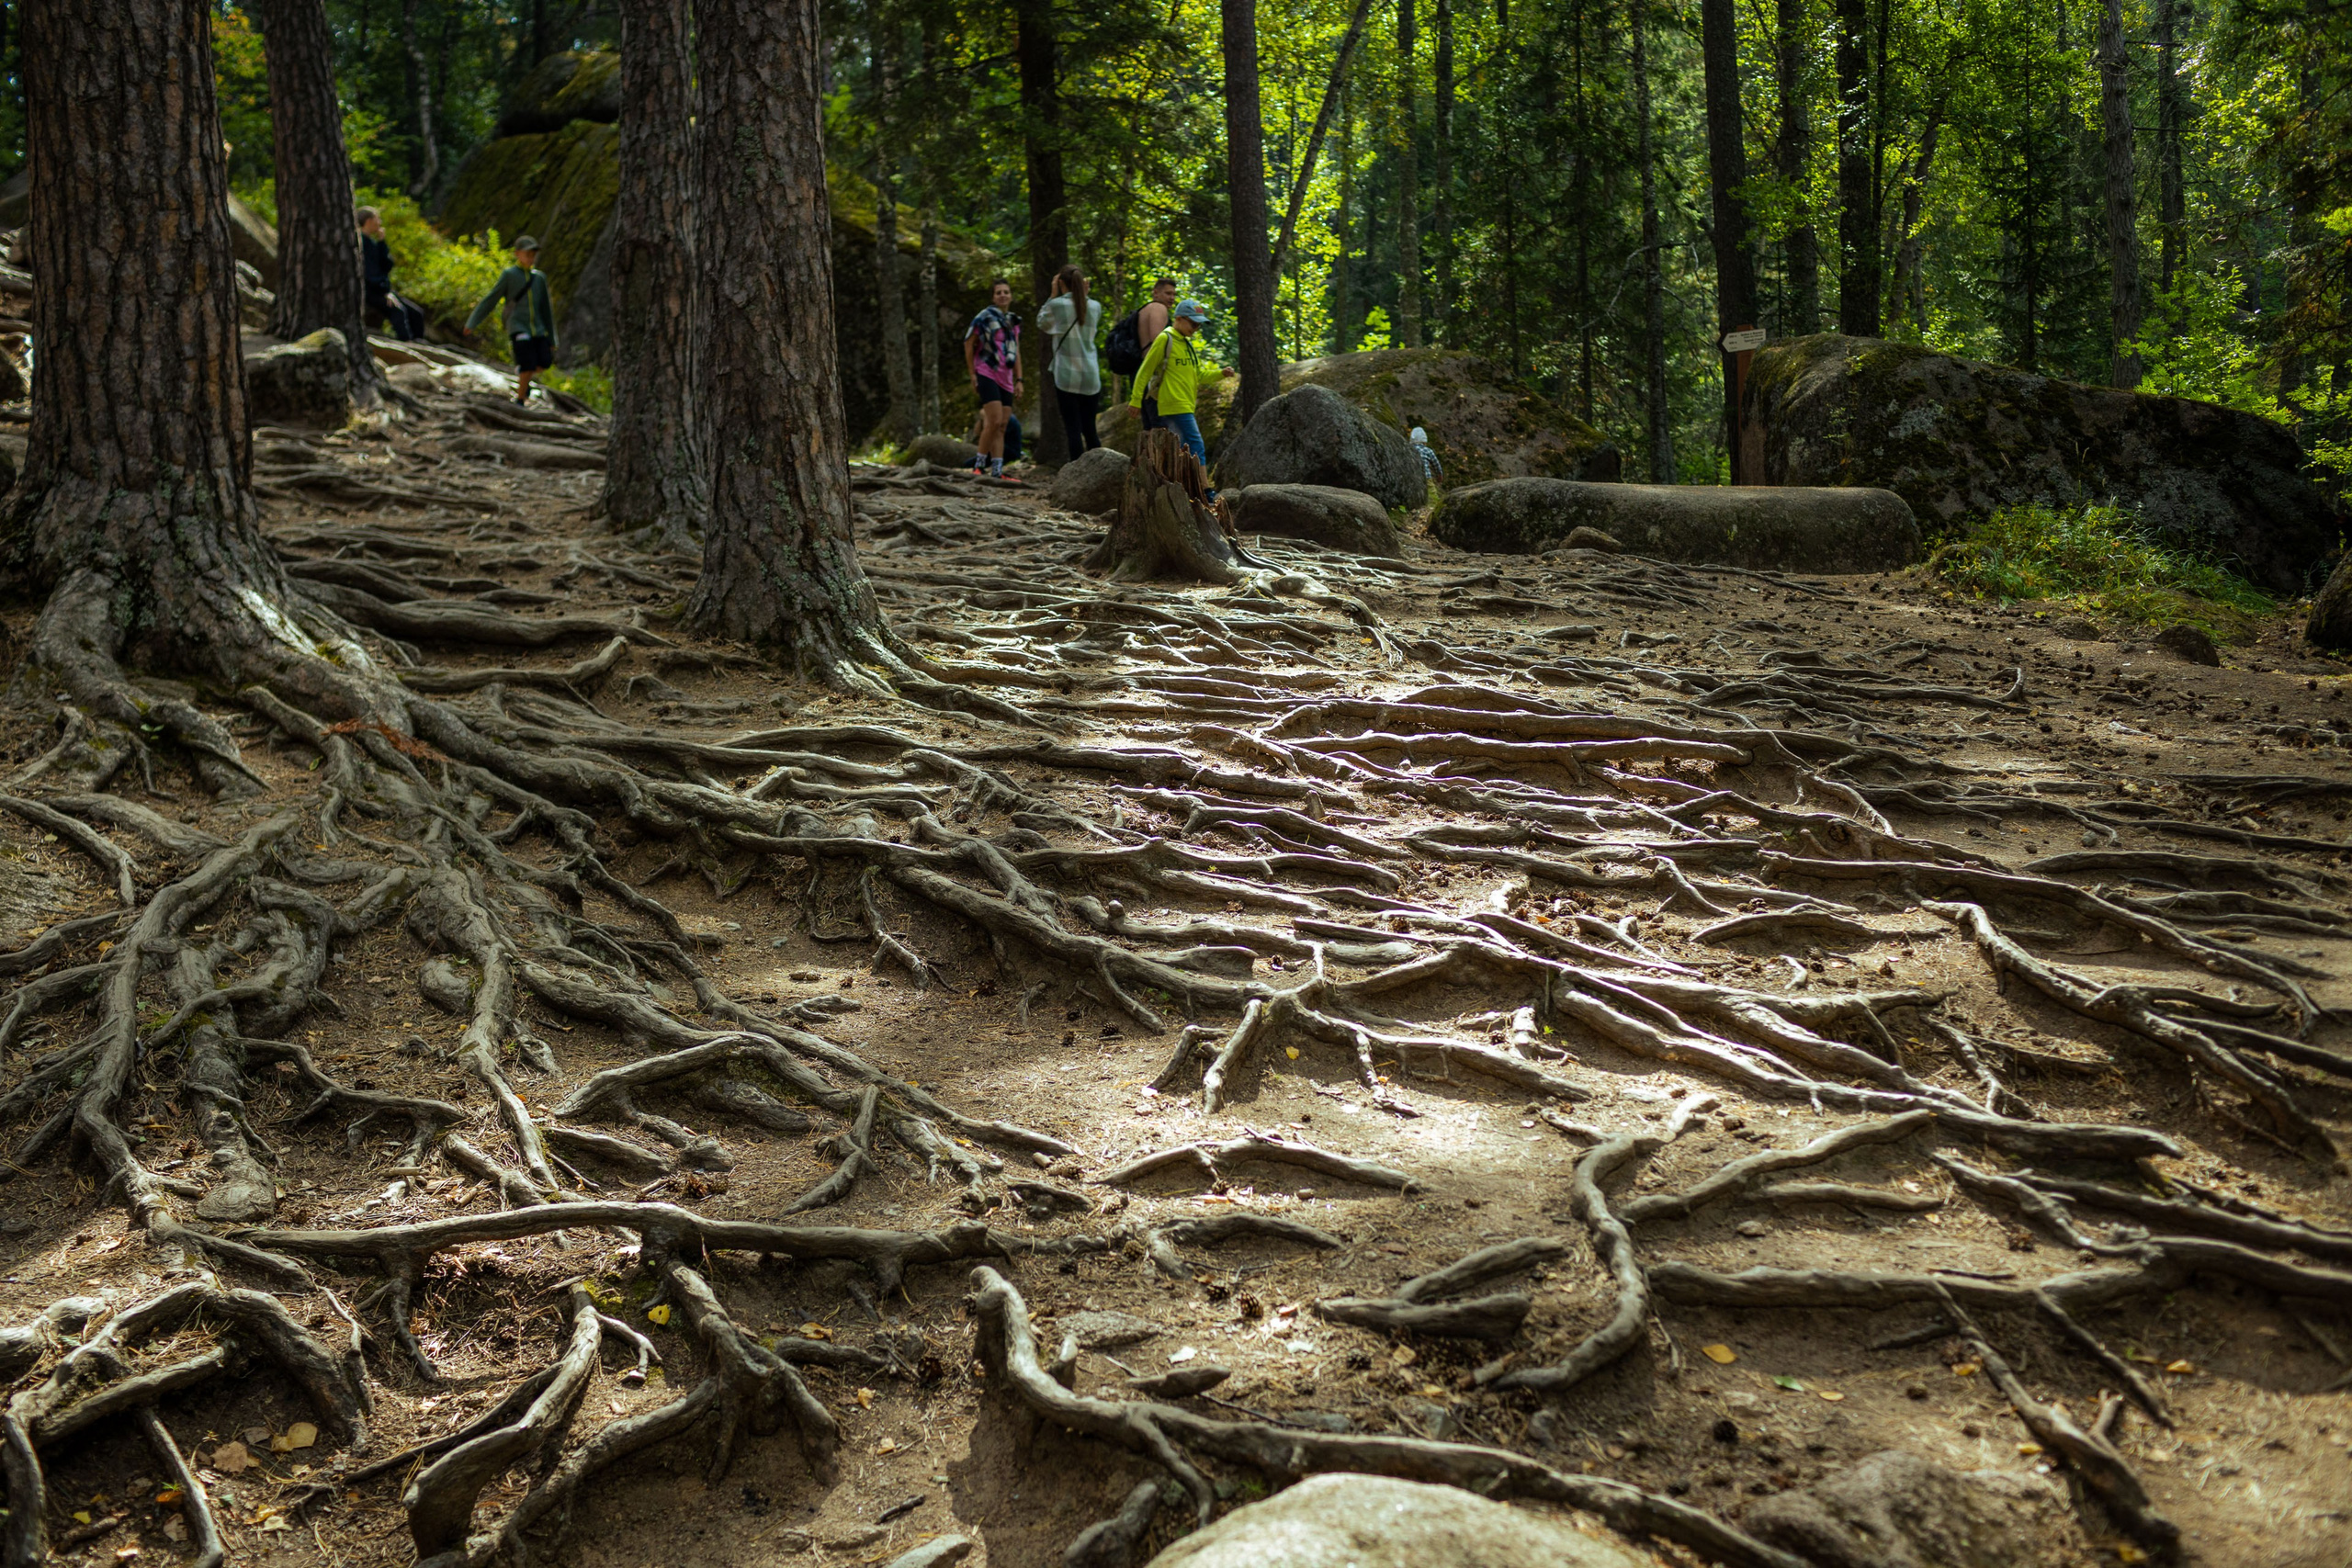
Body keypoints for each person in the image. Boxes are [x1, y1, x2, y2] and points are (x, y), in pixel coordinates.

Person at [1127, 298, 1216, 482]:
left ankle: (1183, 487)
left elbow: (1199, 375)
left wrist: (1222, 374)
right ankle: (1205, 488)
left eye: (1199, 325)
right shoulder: (1165, 339)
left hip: (1186, 404)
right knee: (1196, 445)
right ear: (1179, 319)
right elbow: (1145, 371)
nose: (1196, 329)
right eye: (1193, 324)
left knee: (1181, 449)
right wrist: (1135, 400)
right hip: (1171, 404)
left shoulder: (1187, 345)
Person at [463, 235, 557, 404]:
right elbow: (491, 299)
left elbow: (546, 310)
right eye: (527, 254)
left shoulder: (539, 278)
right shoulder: (509, 275)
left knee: (544, 362)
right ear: (517, 254)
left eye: (533, 255)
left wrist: (552, 338)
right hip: (518, 326)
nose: (531, 258)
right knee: (528, 363)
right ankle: (520, 400)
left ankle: (523, 376)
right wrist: (473, 322)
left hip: (537, 328)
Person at [1035, 264, 1102, 458]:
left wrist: (1052, 295)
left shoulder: (1056, 305)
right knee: (1090, 429)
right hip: (1090, 375)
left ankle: (1078, 471)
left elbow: (1042, 322)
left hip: (1066, 375)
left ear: (1061, 283)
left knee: (1073, 429)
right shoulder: (1095, 306)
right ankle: (1101, 469)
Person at [962, 278, 1023, 479]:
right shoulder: (984, 317)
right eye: (999, 292)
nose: (1003, 295)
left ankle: (997, 471)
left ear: (1011, 296)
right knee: (994, 421)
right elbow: (968, 343)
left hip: (1006, 377)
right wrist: (973, 374)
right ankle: (979, 466)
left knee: (1002, 425)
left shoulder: (1013, 321)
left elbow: (1016, 351)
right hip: (987, 371)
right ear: (993, 297)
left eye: (1006, 292)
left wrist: (1019, 379)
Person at [357, 207, 426, 342]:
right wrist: (384, 292)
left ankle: (419, 345)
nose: (380, 222)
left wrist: (382, 242)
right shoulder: (362, 243)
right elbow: (370, 274)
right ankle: (407, 345)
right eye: (377, 219)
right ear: (369, 221)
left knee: (417, 313)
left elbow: (386, 265)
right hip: (372, 291)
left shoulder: (372, 242)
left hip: (382, 289)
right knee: (398, 311)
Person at [1135, 277, 1177, 429]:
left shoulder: (1144, 309)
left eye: (1174, 294)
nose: (1172, 298)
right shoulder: (1159, 308)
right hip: (1154, 374)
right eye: (1168, 293)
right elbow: (1157, 341)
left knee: (1149, 425)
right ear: (1156, 293)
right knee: (1161, 426)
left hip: (1141, 370)